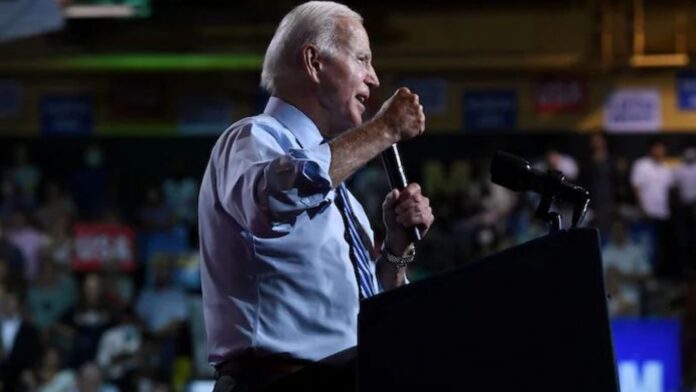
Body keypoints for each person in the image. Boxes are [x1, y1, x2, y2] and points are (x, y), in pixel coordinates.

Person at [198, 1, 434, 390]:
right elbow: (278, 197)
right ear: (313, 61)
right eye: (361, 58)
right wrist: (384, 130)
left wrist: (394, 249)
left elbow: (371, 313)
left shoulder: (345, 197)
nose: (373, 78)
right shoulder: (251, 139)